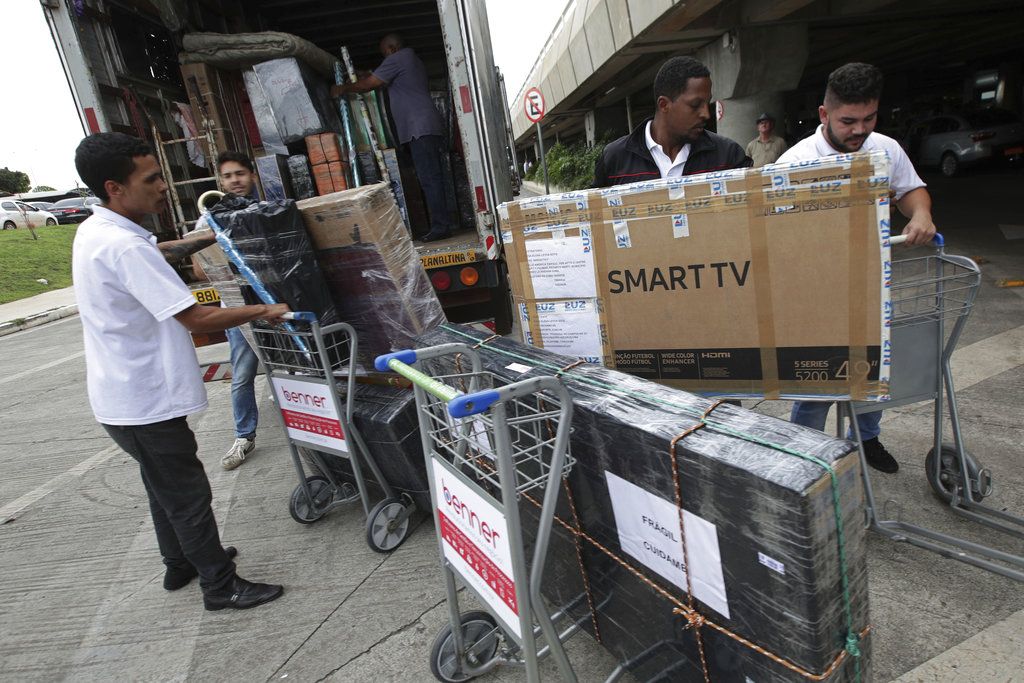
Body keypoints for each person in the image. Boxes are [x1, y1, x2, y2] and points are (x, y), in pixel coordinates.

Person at [72, 132, 287, 610]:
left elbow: (159, 252)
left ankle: (180, 563)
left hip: (121, 399)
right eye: (151, 179)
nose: (163, 187)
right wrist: (263, 311)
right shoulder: (125, 248)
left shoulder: (99, 231)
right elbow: (195, 317)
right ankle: (220, 584)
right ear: (115, 187)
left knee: (161, 483)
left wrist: (211, 236)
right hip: (144, 399)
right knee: (187, 493)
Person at [778, 62, 937, 474]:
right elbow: (772, 235)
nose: (859, 130)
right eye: (848, 121)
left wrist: (919, 215)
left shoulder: (884, 148)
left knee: (872, 370)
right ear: (823, 115)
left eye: (868, 119)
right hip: (815, 290)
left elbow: (911, 191)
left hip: (871, 282)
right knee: (816, 377)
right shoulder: (794, 163)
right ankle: (805, 453)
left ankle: (866, 440)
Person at [331, 33, 455, 242]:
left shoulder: (400, 58)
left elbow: (369, 84)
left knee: (430, 180)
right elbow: (376, 78)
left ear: (392, 49)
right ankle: (442, 224)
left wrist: (342, 89)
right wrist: (363, 74)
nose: (385, 59)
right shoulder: (411, 60)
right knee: (433, 177)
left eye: (384, 54)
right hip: (424, 127)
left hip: (419, 128)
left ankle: (441, 227)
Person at [592, 56, 750, 188]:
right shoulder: (615, 159)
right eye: (695, 105)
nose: (706, 114)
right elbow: (595, 218)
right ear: (664, 105)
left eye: (707, 103)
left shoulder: (728, 156)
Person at [212, 151, 262, 471]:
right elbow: (201, 263)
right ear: (220, 181)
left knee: (299, 369)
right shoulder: (212, 216)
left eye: (240, 174)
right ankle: (244, 435)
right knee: (242, 374)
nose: (235, 180)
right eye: (228, 176)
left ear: (252, 176)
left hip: (270, 300)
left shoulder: (266, 210)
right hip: (236, 304)